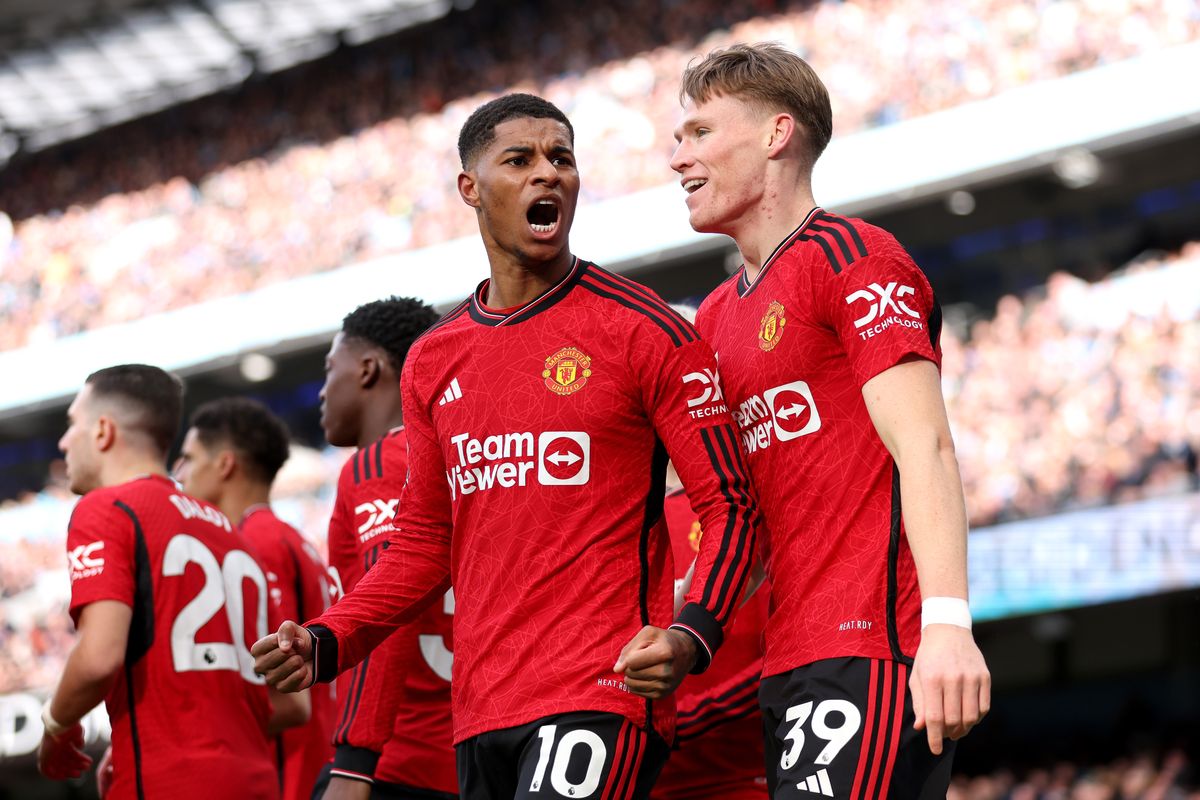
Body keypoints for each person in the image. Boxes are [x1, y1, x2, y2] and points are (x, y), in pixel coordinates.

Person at [252, 93, 760, 799]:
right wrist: (329, 638)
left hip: (601, 691)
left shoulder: (644, 330)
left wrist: (691, 633)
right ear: (471, 188)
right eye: (519, 160)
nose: (546, 175)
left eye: (562, 160)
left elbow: (733, 502)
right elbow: (424, 545)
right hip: (483, 710)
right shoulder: (434, 360)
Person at [669, 43, 990, 798]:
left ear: (776, 135)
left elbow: (928, 447)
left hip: (874, 644)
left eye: (700, 133)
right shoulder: (712, 320)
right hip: (785, 661)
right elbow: (730, 515)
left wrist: (948, 624)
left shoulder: (855, 259)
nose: (677, 156)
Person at [38, 364, 303, 799]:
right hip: (255, 783)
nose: (64, 442)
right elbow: (293, 703)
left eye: (71, 425)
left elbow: (99, 657)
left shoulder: (107, 508)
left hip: (166, 782)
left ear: (103, 431)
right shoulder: (233, 535)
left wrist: (55, 724)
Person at [315, 296, 457, 800]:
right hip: (471, 756)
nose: (321, 392)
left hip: (398, 763)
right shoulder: (461, 459)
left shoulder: (379, 463)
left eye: (331, 369)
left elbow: (386, 608)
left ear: (369, 369)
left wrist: (354, 764)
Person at [174, 396, 334, 800]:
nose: (178, 473)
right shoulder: (287, 535)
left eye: (189, 458)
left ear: (225, 464)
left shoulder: (254, 542)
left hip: (292, 775)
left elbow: (290, 702)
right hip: (316, 762)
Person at [652, 484, 770, 800]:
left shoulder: (755, 513)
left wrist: (695, 716)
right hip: (640, 777)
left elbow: (789, 650)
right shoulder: (637, 515)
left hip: (738, 780)